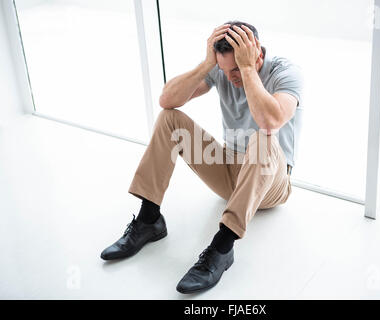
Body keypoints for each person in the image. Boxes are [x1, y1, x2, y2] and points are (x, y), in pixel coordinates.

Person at [100, 20, 303, 294]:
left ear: (256, 52)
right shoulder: (220, 71)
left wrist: (246, 68)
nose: (231, 77)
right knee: (169, 118)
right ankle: (150, 219)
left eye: (236, 68)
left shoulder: (285, 72)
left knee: (262, 136)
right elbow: (167, 100)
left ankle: (223, 246)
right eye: (225, 69)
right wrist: (208, 64)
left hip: (271, 182)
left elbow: (271, 120)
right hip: (229, 172)